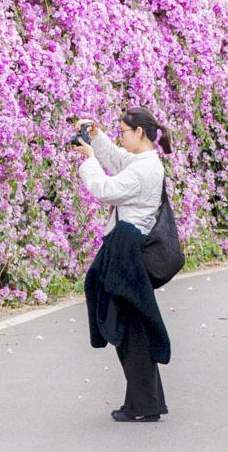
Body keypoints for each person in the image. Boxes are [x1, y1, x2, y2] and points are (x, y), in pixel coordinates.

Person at [74, 108, 173, 423]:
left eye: (123, 132)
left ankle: (143, 404)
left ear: (139, 133)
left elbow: (105, 191)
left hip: (127, 248)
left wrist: (89, 158)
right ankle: (144, 402)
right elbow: (117, 159)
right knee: (131, 325)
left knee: (129, 326)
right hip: (126, 245)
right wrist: (96, 138)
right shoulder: (144, 162)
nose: (120, 136)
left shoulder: (145, 170)